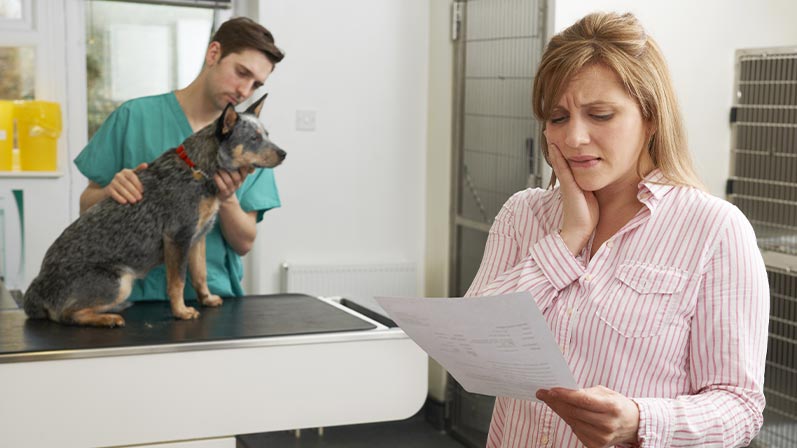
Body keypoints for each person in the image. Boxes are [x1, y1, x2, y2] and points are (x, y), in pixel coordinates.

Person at [466, 12, 769, 448]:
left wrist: (639, 421)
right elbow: (474, 349)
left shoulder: (715, 230)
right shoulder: (523, 214)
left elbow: (739, 406)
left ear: (651, 118)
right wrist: (567, 240)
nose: (574, 138)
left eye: (600, 115)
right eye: (558, 117)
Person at [75, 17, 285, 301]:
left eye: (256, 84)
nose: (244, 91)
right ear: (214, 53)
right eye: (241, 72)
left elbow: (244, 243)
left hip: (214, 298)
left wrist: (226, 198)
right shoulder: (133, 118)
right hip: (133, 298)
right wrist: (110, 192)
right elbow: (85, 207)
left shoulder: (249, 143)